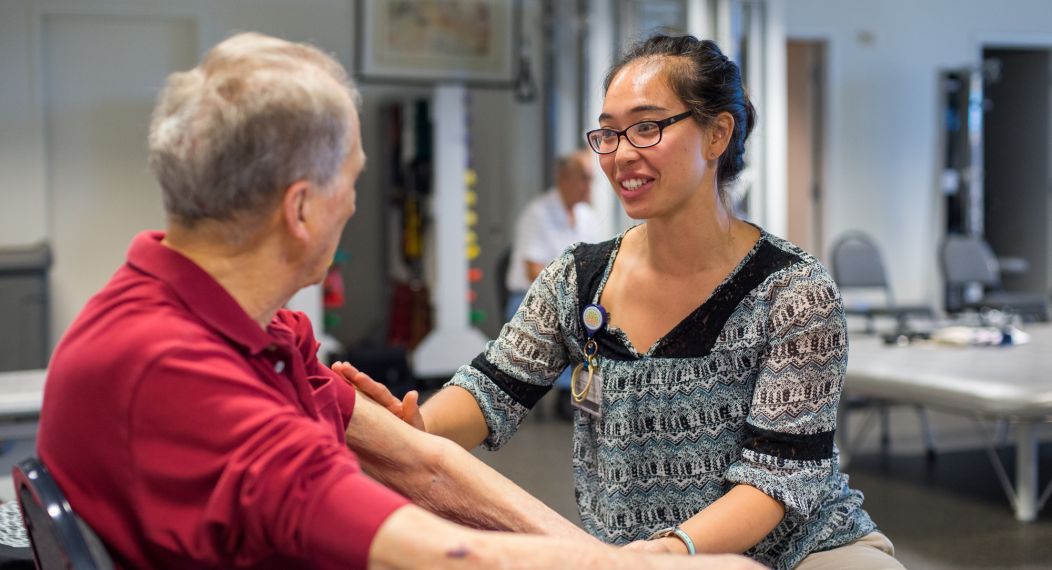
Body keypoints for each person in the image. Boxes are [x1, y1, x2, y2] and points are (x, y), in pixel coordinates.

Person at [36, 32, 761, 570]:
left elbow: (418, 460)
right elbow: (440, 551)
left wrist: (628, 562)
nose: (353, 204)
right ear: (300, 210)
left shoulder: (261, 328)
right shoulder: (172, 370)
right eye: (349, 180)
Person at [348, 35, 905, 570]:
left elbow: (779, 479)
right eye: (609, 134)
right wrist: (412, 425)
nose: (620, 155)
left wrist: (672, 551)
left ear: (717, 135)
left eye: (646, 128)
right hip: (636, 557)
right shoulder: (577, 278)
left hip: (803, 550)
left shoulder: (792, 291)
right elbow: (491, 391)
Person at [505, 149, 607, 417]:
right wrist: (572, 297)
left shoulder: (588, 217)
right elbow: (532, 270)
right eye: (584, 177)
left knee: (602, 323)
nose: (589, 185)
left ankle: (587, 403)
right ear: (564, 179)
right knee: (576, 323)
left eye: (591, 178)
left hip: (576, 299)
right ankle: (568, 397)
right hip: (530, 299)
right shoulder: (537, 213)